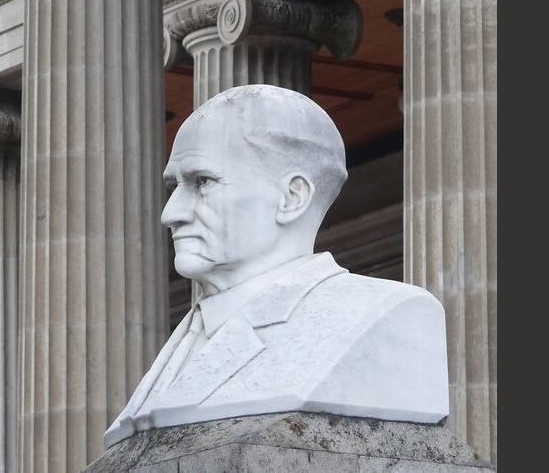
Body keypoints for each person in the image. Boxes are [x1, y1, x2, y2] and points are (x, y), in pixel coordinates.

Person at [104, 84, 448, 449]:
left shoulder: (396, 314)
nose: (170, 213)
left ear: (291, 197)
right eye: (175, 186)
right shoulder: (186, 339)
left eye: (201, 181)